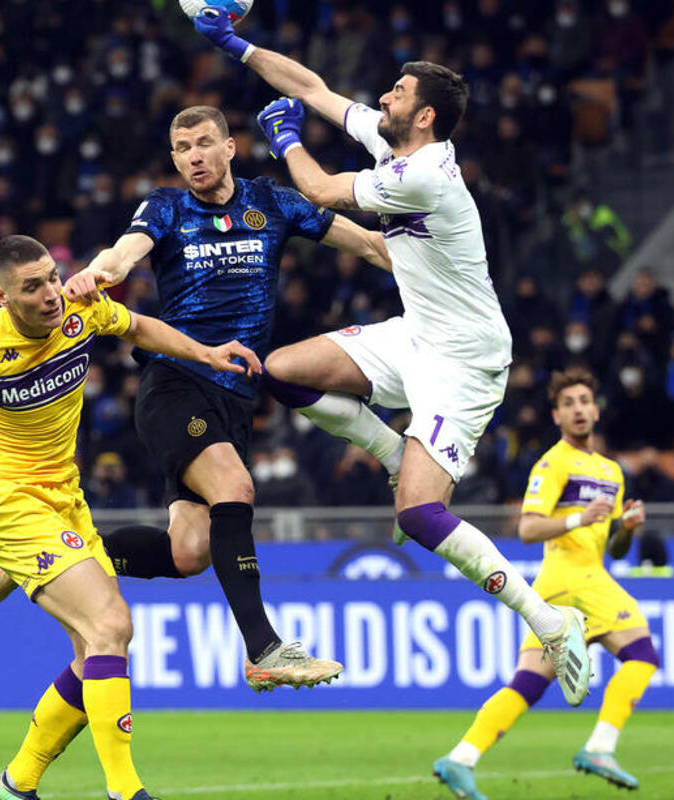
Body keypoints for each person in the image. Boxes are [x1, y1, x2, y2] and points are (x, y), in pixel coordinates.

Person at [193, 7, 592, 705]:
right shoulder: (393, 142)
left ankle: (550, 622)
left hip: (464, 360)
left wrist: (285, 139)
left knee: (418, 516)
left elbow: (319, 189)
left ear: (426, 116)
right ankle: (389, 450)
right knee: (281, 371)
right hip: (417, 334)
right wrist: (236, 43)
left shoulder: (425, 176)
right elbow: (313, 88)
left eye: (398, 93)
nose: (383, 97)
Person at [35, 104, 389, 692]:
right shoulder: (167, 207)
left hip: (233, 400)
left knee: (190, 552)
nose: (194, 157)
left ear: (230, 147)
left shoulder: (271, 202)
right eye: (182, 149)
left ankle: (49, 554)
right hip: (176, 384)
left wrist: (439, 275)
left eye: (203, 144)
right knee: (235, 487)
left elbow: (371, 245)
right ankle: (265, 649)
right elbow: (123, 253)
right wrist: (96, 272)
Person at [0, 235, 261, 800]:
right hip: (8, 503)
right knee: (112, 625)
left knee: (92, 650)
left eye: (53, 276)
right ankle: (125, 790)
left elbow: (139, 328)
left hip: (66, 499)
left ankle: (15, 784)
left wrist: (207, 353)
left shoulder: (80, 308)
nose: (51, 293)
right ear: (2, 297)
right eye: (32, 287)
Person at [433, 368, 656, 798]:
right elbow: (528, 528)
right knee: (642, 655)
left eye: (584, 401)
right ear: (556, 416)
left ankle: (461, 758)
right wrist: (578, 518)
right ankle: (600, 748)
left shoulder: (611, 471)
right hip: (571, 578)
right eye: (568, 404)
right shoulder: (552, 464)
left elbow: (616, 548)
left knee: (529, 683)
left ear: (596, 410)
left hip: (579, 579)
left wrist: (627, 528)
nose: (578, 410)